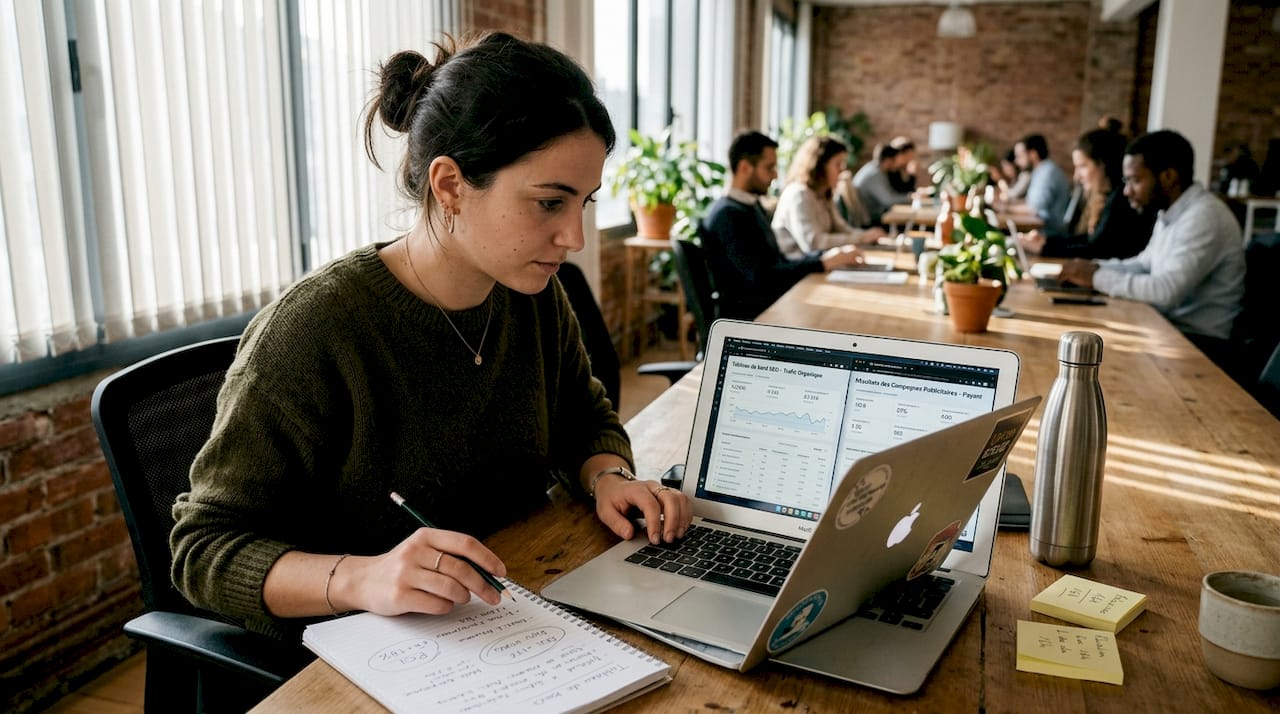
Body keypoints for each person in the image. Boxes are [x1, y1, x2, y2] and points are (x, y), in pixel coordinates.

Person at [169, 32, 693, 640]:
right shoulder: (315, 330)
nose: (574, 236)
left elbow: (583, 419)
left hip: (517, 607)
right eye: (550, 202)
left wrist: (609, 478)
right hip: (362, 649)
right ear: (448, 185)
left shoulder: (534, 295)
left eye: (585, 202)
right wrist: (362, 577)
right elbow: (201, 550)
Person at [1059, 130, 1245, 367]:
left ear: (1168, 176)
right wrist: (1094, 267)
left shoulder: (1204, 216)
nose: (1127, 191)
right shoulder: (1171, 211)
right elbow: (1144, 264)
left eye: (1135, 180)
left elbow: (1166, 292)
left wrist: (1096, 277)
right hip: (1171, 331)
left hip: (1202, 346)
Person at [701, 131, 865, 321]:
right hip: (754, 320)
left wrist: (825, 258)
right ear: (745, 167)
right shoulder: (727, 215)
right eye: (769, 167)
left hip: (770, 308)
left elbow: (777, 264)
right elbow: (762, 279)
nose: (775, 174)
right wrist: (822, 262)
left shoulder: (751, 207)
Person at [1019, 128, 1155, 259]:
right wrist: (1046, 241)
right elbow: (1091, 239)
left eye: (1082, 166)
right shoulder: (1110, 196)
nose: (1076, 177)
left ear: (1103, 165)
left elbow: (1097, 250)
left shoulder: (1122, 200)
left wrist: (1044, 248)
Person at [772, 135, 886, 258]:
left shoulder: (823, 193)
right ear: (819, 165)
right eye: (838, 164)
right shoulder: (799, 194)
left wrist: (867, 235)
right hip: (800, 270)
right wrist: (861, 238)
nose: (842, 171)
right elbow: (813, 243)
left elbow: (841, 228)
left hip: (820, 263)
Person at [1011, 134, 1072, 238]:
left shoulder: (1047, 173)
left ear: (1033, 154)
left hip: (1051, 235)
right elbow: (1031, 203)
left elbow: (1034, 208)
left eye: (1020, 156)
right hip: (1042, 231)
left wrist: (1006, 208)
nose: (1016, 161)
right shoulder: (1040, 171)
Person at [853, 143, 912, 225]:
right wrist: (910, 198)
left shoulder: (876, 170)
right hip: (870, 220)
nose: (898, 164)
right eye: (896, 160)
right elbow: (888, 200)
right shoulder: (874, 175)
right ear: (888, 160)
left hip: (873, 215)